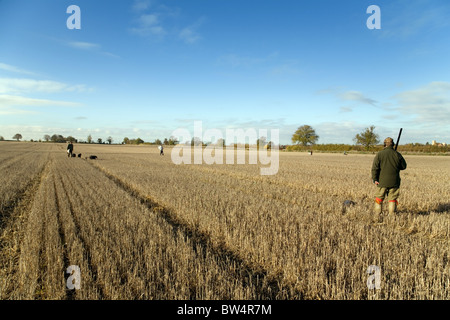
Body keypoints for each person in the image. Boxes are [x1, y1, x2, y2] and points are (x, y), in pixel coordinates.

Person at [371, 137, 407, 215]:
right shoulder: (397, 154)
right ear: (393, 144)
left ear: (384, 144)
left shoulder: (380, 154)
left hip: (382, 181)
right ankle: (391, 215)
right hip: (394, 182)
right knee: (392, 199)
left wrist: (375, 179)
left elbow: (374, 168)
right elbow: (404, 166)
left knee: (379, 198)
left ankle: (377, 215)